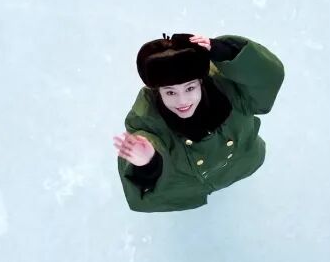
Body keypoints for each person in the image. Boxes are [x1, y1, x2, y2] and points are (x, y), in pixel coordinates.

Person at [114, 33, 285, 212]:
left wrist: (224, 52)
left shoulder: (229, 88)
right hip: (192, 189)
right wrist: (148, 163)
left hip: (245, 164)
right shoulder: (146, 118)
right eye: (170, 92)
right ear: (158, 91)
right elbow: (145, 188)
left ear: (200, 82)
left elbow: (266, 78)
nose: (182, 101)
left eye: (190, 88)